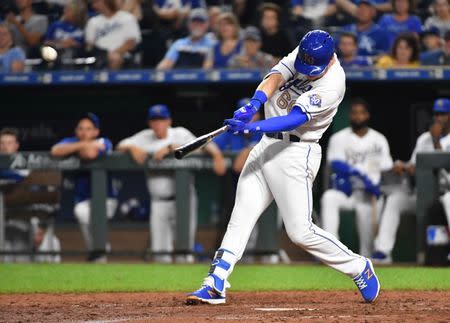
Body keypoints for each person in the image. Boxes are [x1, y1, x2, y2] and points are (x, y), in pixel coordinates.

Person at [186, 30, 380, 305]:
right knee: (241, 215)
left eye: (312, 69)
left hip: (296, 151)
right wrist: (253, 105)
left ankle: (358, 266)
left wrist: (251, 126)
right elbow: (275, 76)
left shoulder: (333, 83)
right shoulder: (305, 51)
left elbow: (293, 120)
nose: (307, 72)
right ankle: (216, 281)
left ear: (327, 62)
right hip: (266, 145)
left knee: (300, 232)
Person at [116, 104, 226, 263]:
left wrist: (171, 148)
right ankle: (164, 288)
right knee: (160, 252)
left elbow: (204, 143)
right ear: (150, 123)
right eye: (154, 120)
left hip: (183, 199)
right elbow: (119, 146)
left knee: (185, 250)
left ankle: (185, 284)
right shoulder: (144, 137)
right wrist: (131, 148)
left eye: (161, 119)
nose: (158, 123)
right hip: (158, 202)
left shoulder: (179, 133)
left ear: (168, 121)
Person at [371, 98, 450, 264]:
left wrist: (436, 141)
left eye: (443, 114)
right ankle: (383, 251)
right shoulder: (424, 139)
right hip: (422, 194)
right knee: (394, 200)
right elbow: (415, 165)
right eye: (436, 114)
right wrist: (405, 167)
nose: (438, 118)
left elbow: (444, 167)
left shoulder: (436, 139)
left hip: (446, 192)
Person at [320, 98, 393, 257]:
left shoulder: (378, 139)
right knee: (329, 198)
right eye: (354, 113)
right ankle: (331, 250)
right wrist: (358, 173)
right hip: (347, 191)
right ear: (350, 116)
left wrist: (376, 185)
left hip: (369, 195)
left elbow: (387, 167)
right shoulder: (339, 138)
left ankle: (368, 261)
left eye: (361, 113)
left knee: (367, 240)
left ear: (367, 115)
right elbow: (336, 163)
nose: (358, 116)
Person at [51, 113, 117, 263]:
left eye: (88, 129)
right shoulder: (72, 141)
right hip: (84, 199)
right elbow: (55, 150)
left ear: (96, 131)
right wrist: (82, 144)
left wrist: (76, 148)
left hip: (106, 198)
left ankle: (98, 250)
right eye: (80, 128)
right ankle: (99, 250)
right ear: (76, 131)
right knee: (81, 212)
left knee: (90, 215)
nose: (84, 132)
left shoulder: (104, 141)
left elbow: (90, 153)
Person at [1, 128, 60, 263]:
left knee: (47, 248)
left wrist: (42, 227)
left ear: (16, 146)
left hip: (27, 220)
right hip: (5, 222)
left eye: (9, 143)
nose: (5, 147)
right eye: (2, 143)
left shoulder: (27, 168)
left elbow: (47, 200)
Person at [85, 0, 141, 69]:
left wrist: (115, 53)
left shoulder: (127, 18)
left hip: (124, 55)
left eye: (97, 2)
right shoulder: (93, 21)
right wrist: (105, 54)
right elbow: (89, 45)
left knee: (115, 58)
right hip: (99, 55)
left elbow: (131, 42)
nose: (93, 6)